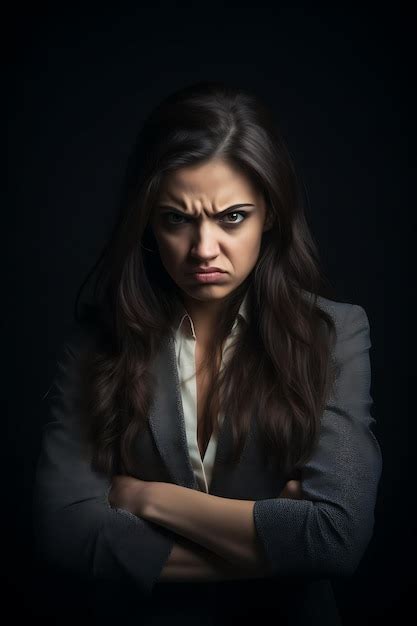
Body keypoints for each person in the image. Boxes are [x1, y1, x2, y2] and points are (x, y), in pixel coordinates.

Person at [32, 81, 383, 626]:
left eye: (232, 217)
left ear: (271, 213)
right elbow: (63, 531)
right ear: (147, 220)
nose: (203, 249)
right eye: (177, 218)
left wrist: (147, 499)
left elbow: (336, 536)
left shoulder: (332, 334)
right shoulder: (100, 342)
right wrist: (275, 545)